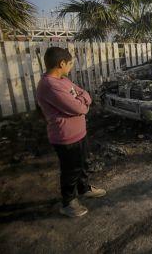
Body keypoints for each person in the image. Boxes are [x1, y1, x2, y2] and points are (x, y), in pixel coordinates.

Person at [36, 47, 106, 218]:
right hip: (65, 138)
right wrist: (81, 103)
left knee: (83, 163)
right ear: (61, 63)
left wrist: (81, 101)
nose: (71, 67)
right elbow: (79, 107)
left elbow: (85, 94)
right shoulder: (49, 85)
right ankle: (68, 202)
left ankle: (84, 189)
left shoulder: (63, 80)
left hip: (79, 133)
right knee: (71, 170)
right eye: (70, 64)